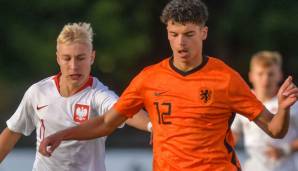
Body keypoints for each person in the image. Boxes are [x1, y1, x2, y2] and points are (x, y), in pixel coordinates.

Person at [39, 0, 298, 170]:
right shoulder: (149, 78)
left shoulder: (225, 78)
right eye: (174, 35)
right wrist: (62, 135)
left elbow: (275, 130)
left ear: (203, 33)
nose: (180, 43)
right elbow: (108, 121)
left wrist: (284, 109)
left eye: (188, 35)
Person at [0, 22, 151, 171]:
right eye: (67, 58)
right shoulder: (38, 92)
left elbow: (125, 110)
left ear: (92, 58)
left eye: (80, 58)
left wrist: (153, 126)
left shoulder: (98, 95)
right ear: (58, 58)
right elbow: (14, 131)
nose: (73, 66)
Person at [232, 51, 298, 171]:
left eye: (271, 74)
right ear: (251, 76)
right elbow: (233, 135)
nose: (265, 79)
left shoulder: (291, 102)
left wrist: (286, 150)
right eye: (260, 74)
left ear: (280, 75)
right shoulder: (243, 100)